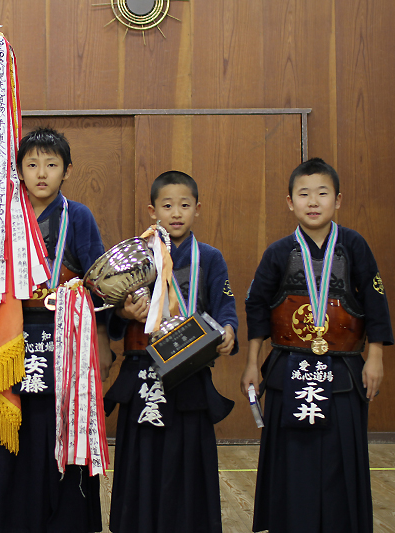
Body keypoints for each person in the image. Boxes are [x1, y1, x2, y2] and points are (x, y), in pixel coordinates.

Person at [241, 158, 393, 533]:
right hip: (288, 369)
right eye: (303, 194)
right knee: (291, 462)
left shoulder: (354, 245)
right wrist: (251, 363)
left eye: (322, 193)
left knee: (341, 461)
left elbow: (375, 303)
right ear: (289, 202)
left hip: (343, 370)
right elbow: (257, 306)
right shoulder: (279, 252)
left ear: (337, 200)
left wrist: (375, 356)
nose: (313, 201)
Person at [0, 127, 112, 533]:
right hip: (12, 337)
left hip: (67, 339)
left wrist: (104, 341)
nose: (41, 173)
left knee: (62, 427)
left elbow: (100, 282)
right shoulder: (3, 217)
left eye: (51, 165)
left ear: (67, 171)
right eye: (32, 165)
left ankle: (68, 520)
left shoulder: (80, 216)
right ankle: (12, 520)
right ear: (18, 171)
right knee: (17, 430)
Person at [105, 170, 237, 533]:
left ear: (197, 209)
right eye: (167, 206)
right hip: (141, 372)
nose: (176, 213)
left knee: (188, 460)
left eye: (184, 205)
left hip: (189, 368)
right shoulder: (135, 255)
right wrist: (123, 314)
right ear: (152, 211)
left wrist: (229, 330)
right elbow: (112, 307)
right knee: (141, 460)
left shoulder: (209, 258)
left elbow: (225, 305)